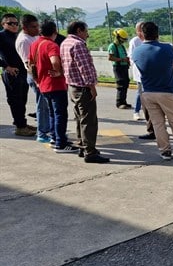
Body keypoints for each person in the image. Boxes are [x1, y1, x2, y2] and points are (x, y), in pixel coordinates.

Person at [132, 22, 173, 160]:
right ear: (157, 33)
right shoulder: (167, 48)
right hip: (167, 90)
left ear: (142, 34)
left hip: (147, 91)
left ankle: (165, 151)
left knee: (157, 123)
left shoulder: (137, 51)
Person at [61, 21, 109, 163]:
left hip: (72, 86)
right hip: (83, 87)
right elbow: (85, 68)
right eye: (86, 31)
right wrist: (92, 87)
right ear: (79, 30)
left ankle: (83, 146)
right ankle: (90, 152)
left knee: (79, 118)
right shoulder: (78, 44)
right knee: (89, 120)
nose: (87, 34)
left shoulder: (65, 43)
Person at [29, 20, 77, 154]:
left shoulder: (35, 44)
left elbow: (30, 64)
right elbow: (55, 61)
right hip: (56, 84)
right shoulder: (51, 45)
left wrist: (37, 79)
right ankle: (60, 143)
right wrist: (60, 71)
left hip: (43, 84)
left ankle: (55, 138)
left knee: (52, 113)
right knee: (60, 114)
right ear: (55, 31)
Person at [16, 14, 52, 142]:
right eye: (34, 27)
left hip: (42, 76)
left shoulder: (34, 37)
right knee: (42, 105)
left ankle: (47, 130)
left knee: (46, 105)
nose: (37, 29)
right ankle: (42, 134)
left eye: (38, 26)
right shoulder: (24, 41)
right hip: (36, 77)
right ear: (25, 27)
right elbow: (29, 64)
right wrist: (38, 81)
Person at [0, 13, 36, 137]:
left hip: (23, 72)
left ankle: (22, 123)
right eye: (10, 23)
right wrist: (6, 66)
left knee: (23, 99)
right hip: (12, 73)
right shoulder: (2, 36)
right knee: (15, 100)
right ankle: (20, 127)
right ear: (3, 24)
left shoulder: (18, 36)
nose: (14, 25)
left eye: (16, 23)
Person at [108, 28, 131, 109]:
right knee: (121, 84)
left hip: (124, 67)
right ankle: (119, 102)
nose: (123, 41)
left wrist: (127, 60)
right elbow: (110, 58)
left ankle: (124, 101)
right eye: (122, 39)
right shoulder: (112, 46)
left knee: (126, 83)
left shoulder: (122, 46)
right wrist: (121, 59)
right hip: (118, 67)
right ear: (117, 37)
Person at [127, 22, 144, 121]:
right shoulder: (135, 41)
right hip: (139, 71)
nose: (141, 32)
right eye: (140, 30)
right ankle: (136, 112)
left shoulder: (149, 39)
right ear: (137, 31)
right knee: (140, 92)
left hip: (149, 72)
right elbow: (132, 57)